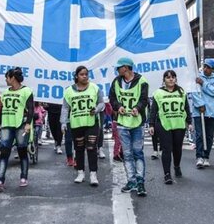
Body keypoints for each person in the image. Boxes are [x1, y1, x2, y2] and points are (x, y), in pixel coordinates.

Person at [109, 57, 149, 197]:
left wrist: (138, 108)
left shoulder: (142, 81)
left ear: (125, 67)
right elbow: (112, 98)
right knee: (126, 154)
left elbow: (144, 99)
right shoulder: (116, 81)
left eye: (119, 67)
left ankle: (140, 182)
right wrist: (118, 107)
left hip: (137, 123)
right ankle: (131, 180)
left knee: (138, 152)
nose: (117, 69)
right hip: (122, 123)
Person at [61, 66, 104, 186]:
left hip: (91, 123)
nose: (85, 76)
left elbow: (101, 103)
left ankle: (93, 174)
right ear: (76, 76)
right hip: (76, 124)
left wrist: (96, 109)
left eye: (86, 74)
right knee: (78, 148)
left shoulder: (95, 88)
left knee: (91, 148)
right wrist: (63, 122)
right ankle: (80, 172)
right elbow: (65, 107)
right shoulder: (69, 90)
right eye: (82, 74)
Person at [0, 68, 34, 190]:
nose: (6, 80)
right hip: (6, 125)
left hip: (20, 125)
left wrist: (28, 124)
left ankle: (23, 177)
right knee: (4, 152)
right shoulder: (5, 92)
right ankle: (0, 180)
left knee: (22, 151)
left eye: (7, 77)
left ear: (13, 78)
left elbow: (31, 109)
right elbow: (1, 109)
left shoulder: (27, 91)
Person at [149, 70, 192, 184]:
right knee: (166, 149)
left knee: (177, 148)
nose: (171, 79)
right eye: (168, 77)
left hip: (179, 123)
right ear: (164, 80)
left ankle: (177, 166)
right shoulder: (158, 93)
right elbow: (153, 110)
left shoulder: (181, 92)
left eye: (173, 77)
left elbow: (186, 108)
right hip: (164, 124)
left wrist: (189, 122)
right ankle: (167, 174)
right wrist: (151, 124)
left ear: (176, 79)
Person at [192, 58, 214, 168]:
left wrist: (204, 84)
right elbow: (193, 91)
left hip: (211, 111)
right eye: (205, 66)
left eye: (208, 67)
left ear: (212, 69)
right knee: (199, 134)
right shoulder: (197, 76)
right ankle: (199, 157)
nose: (205, 69)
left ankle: (206, 156)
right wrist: (200, 105)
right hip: (199, 111)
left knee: (209, 135)